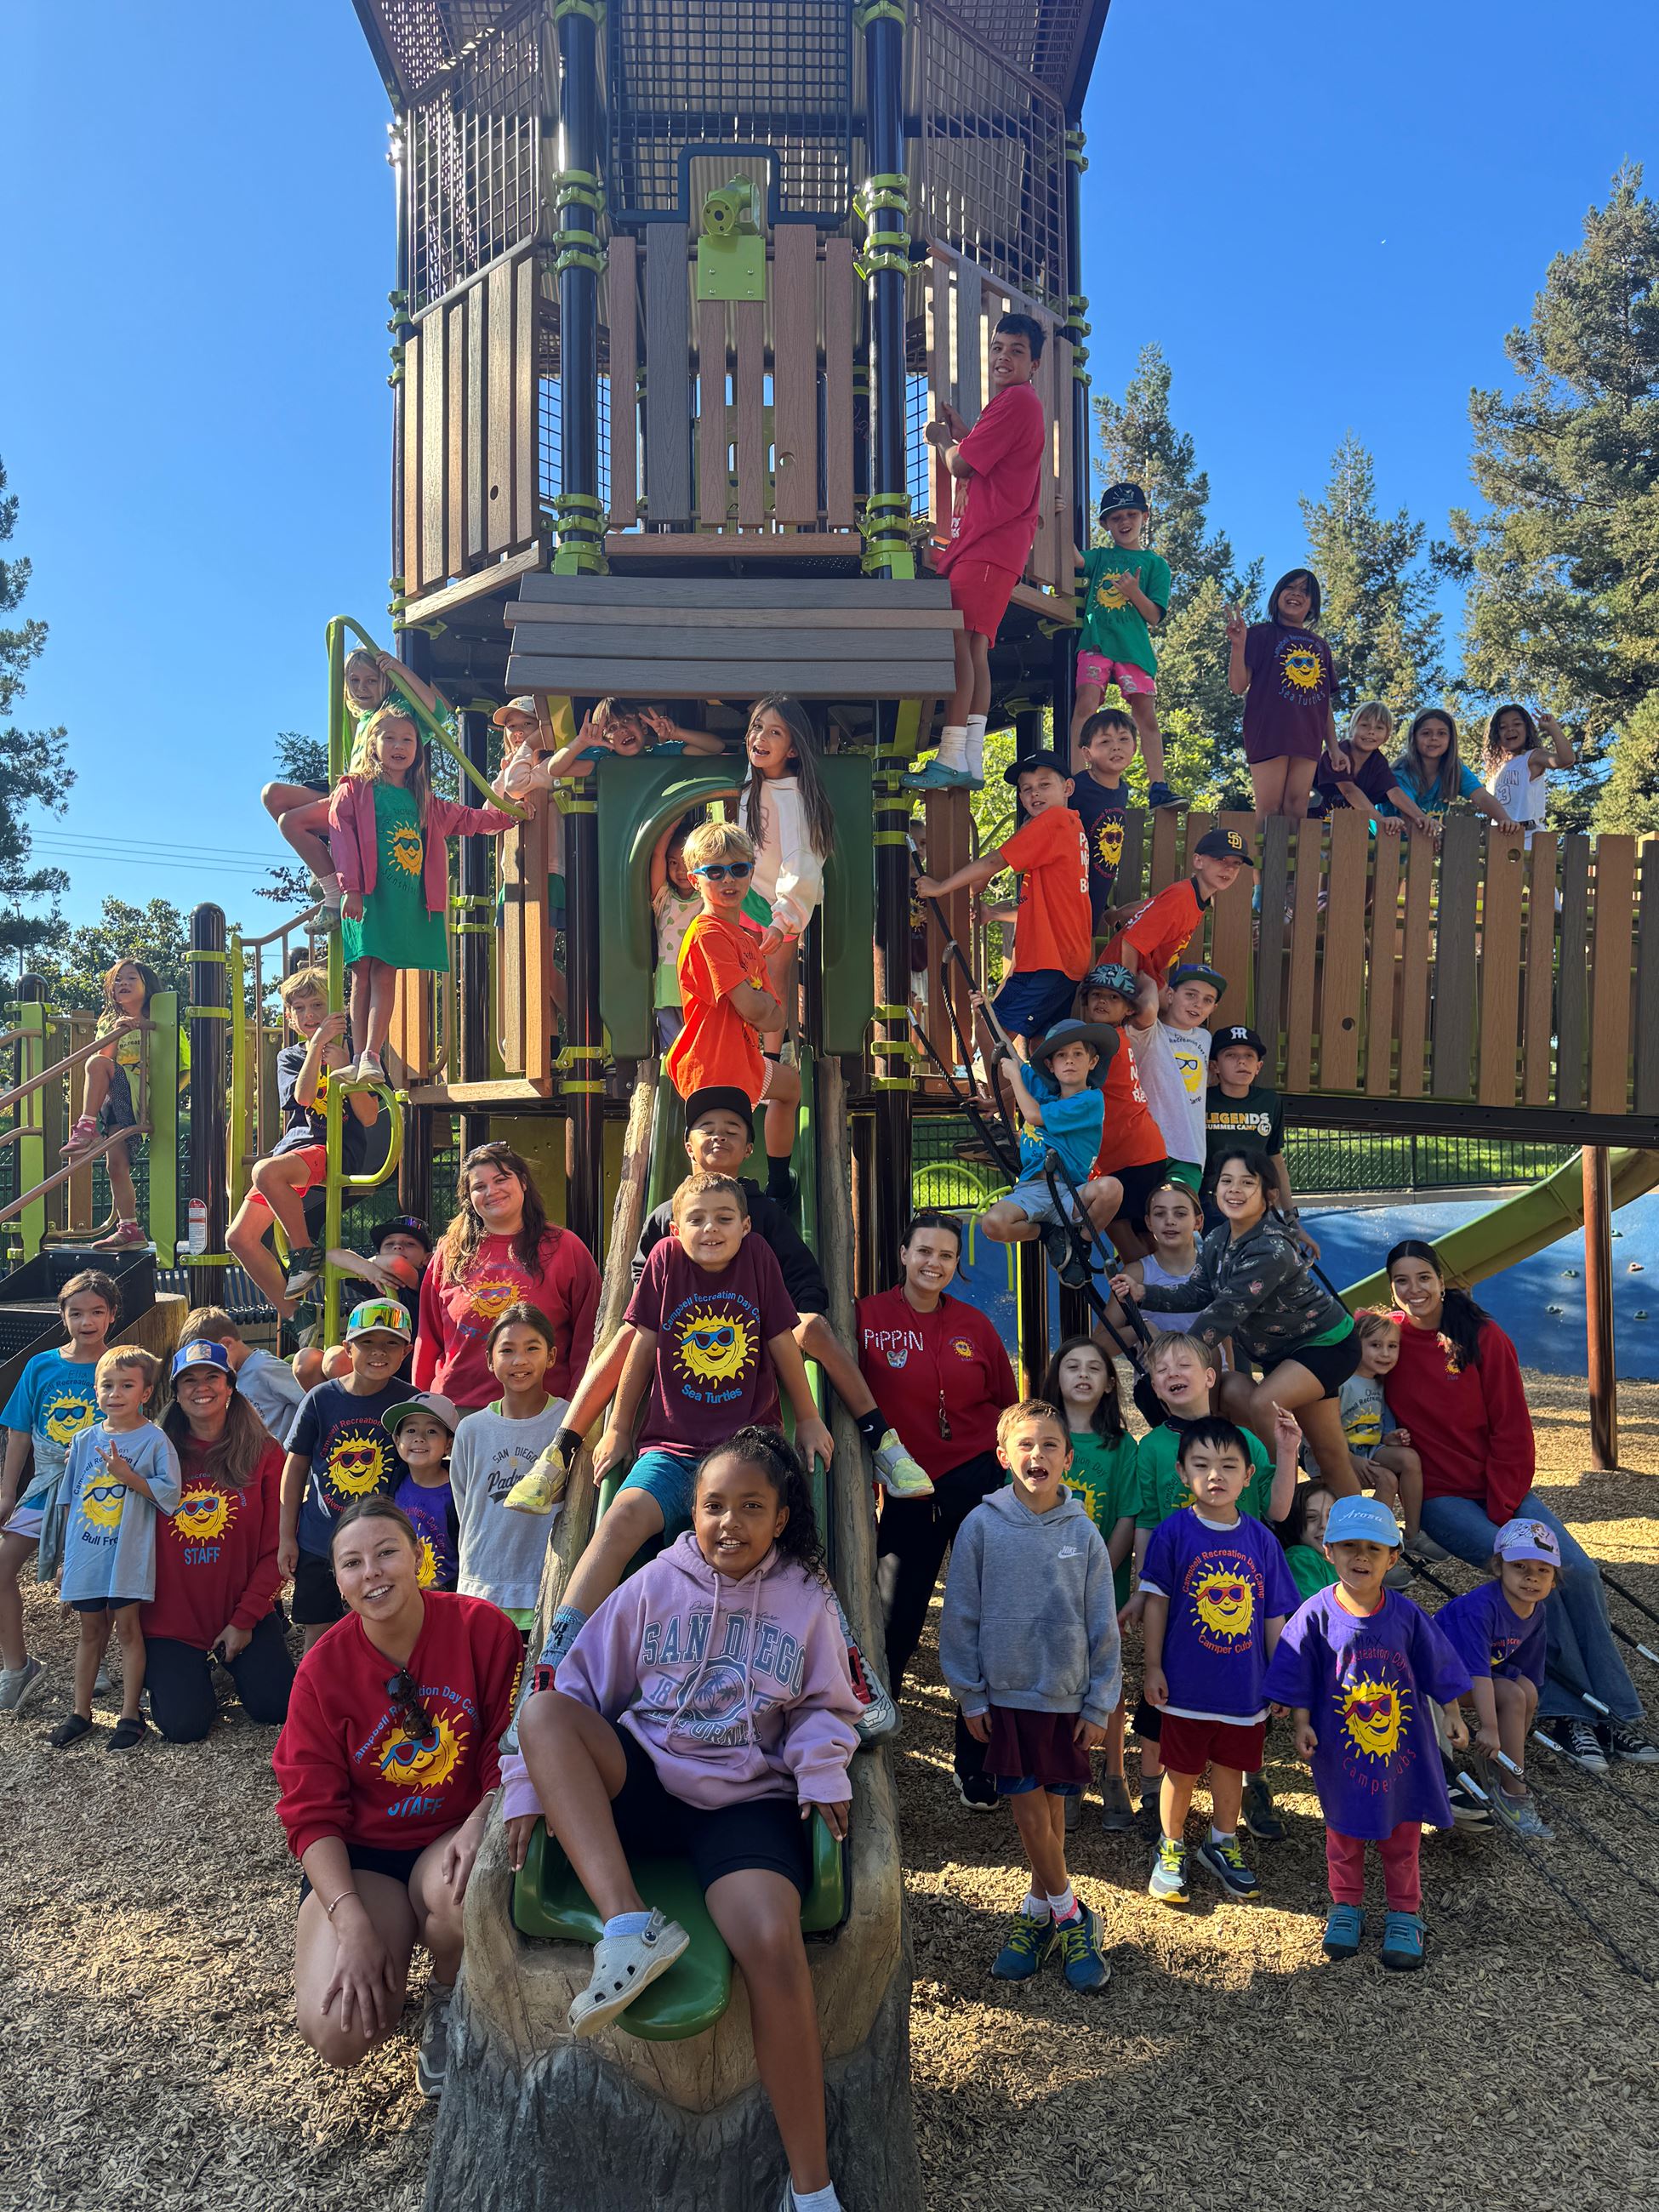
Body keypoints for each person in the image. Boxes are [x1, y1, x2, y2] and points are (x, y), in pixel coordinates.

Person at [504, 1429, 860, 2209]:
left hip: (745, 1801)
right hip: (647, 1780)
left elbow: (829, 1706)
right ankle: (630, 1925)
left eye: (751, 1507)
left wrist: (823, 1764)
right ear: (689, 1513)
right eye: (712, 1507)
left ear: (782, 1514)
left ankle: (813, 2190)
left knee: (771, 1940)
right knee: (543, 1716)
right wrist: (527, 1787)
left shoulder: (807, 1598)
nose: (729, 1524)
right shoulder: (655, 1584)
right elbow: (576, 1688)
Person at [518, 1089, 931, 1518]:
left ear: (749, 1148)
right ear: (687, 1145)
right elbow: (644, 1289)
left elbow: (803, 1278)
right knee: (627, 1337)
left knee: (812, 1327)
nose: (719, 1137)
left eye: (732, 1130)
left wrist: (801, 1314)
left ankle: (883, 1441)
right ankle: (561, 1450)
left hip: (759, 1321)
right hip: (684, 1327)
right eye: (707, 1129)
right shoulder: (665, 1216)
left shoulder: (763, 1213)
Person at [535, 1174, 832, 1678]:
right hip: (672, 1448)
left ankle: (838, 1653)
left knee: (788, 1543)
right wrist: (620, 1428)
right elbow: (641, 1347)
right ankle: (555, 1658)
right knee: (619, 1522)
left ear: (746, 1226)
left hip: (745, 1450)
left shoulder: (758, 1257)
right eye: (696, 1219)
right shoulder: (664, 1261)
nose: (710, 1229)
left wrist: (807, 1417)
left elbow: (783, 1342)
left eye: (723, 1219)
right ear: (675, 1227)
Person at [274, 1497, 522, 2095]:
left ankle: (446, 1990)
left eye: (386, 1553)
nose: (373, 1573)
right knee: (339, 2033)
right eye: (353, 1563)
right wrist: (352, 1923)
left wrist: (482, 1814)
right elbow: (309, 1812)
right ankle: (386, 1939)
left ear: (418, 1557)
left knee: (462, 1890)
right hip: (367, 1861)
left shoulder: (481, 1628)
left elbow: (507, 1743)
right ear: (338, 1582)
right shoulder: (322, 1669)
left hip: (450, 1837)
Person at [1384, 1239, 1656, 1770]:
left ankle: (1618, 1715)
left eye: (1423, 1278)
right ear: (1390, 1288)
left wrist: (1504, 1505)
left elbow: (1513, 1430)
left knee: (1575, 1570)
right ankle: (1571, 1714)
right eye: (1402, 1281)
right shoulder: (1385, 1341)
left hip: (1500, 1490)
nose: (1414, 1290)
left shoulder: (1482, 1337)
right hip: (1441, 1498)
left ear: (1442, 1280)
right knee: (1528, 1575)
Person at [939, 1400, 1119, 1990]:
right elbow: (960, 1615)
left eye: (1049, 1446)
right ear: (1002, 1456)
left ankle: (1037, 1913)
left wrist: (1098, 1702)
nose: (1036, 1455)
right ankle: (1073, 1917)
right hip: (1005, 1697)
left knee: (1053, 1811)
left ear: (1068, 1459)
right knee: (1027, 1810)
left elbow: (1103, 1626)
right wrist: (969, 1694)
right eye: (1025, 1445)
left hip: (1065, 1699)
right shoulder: (980, 1526)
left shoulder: (1085, 1534)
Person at [1263, 1494, 1471, 1971]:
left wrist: (1454, 1714)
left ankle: (1404, 1912)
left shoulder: (1406, 1616)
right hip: (1343, 1752)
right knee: (1343, 1831)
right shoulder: (1313, 1615)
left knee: (1403, 1836)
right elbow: (1297, 1673)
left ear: (1393, 1557)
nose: (1361, 1557)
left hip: (1402, 1752)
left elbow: (1439, 1667)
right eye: (1349, 1546)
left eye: (1374, 1549)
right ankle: (1346, 1906)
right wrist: (1300, 1722)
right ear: (1328, 1551)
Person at [858, 1211, 1018, 1809]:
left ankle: (974, 1762)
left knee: (980, 1621)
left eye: (946, 1256)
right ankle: (873, 1754)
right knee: (895, 1622)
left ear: (956, 1265)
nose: (934, 1264)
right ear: (903, 1253)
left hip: (976, 1480)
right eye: (924, 1251)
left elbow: (1007, 1407)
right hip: (908, 1487)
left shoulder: (974, 1325)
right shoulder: (867, 1318)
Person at [1114, 1146, 1361, 1496]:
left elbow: (1225, 1311)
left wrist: (1175, 1358)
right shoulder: (1217, 1239)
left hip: (1325, 1344)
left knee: (1264, 1404)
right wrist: (1145, 1293)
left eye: (1247, 1182)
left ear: (1269, 1195)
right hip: (1287, 1354)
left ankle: (1275, 1501)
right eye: (1227, 1180)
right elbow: (1198, 1292)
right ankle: (1353, 1531)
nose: (1234, 1189)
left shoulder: (1271, 1249)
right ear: (1215, 1191)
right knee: (1330, 1452)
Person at [1125, 1342, 1297, 1841]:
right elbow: (1149, 1520)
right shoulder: (1152, 1447)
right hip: (1177, 1598)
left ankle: (1251, 1785)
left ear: (1209, 1376)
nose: (1173, 1374)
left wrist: (1287, 1452)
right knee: (1171, 1705)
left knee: (1240, 1703)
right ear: (1153, 1387)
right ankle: (1159, 1800)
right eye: (1162, 1369)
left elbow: (1278, 1511)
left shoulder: (1246, 1440)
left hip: (1241, 1583)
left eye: (1184, 1365)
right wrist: (1141, 1586)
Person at [1138, 1416, 1300, 1905]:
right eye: (1202, 1465)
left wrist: (1279, 1678)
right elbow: (1157, 1603)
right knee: (1181, 1772)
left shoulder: (1262, 1541)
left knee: (1232, 1769)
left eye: (1229, 1465)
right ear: (1184, 1473)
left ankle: (1222, 1842)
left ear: (1249, 1475)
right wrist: (1152, 1666)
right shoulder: (1173, 1533)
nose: (1216, 1475)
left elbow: (1274, 1614)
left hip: (1244, 1689)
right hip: (1186, 1686)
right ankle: (1171, 1847)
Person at [330, 706, 517, 1083]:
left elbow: (467, 819)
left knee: (385, 973)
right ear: (372, 744)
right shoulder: (356, 789)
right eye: (390, 738)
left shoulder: (423, 800)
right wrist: (349, 889)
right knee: (361, 974)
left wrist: (509, 814)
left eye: (408, 740)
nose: (399, 746)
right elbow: (341, 835)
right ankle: (358, 1055)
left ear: (418, 749)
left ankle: (370, 1055)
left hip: (403, 904)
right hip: (366, 896)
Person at [907, 313, 1047, 792]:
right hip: (1000, 547)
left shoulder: (1015, 402)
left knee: (959, 644)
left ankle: (950, 756)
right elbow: (984, 460)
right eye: (998, 347)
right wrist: (966, 433)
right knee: (975, 648)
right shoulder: (1017, 406)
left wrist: (944, 440)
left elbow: (961, 464)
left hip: (988, 544)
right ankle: (970, 760)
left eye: (1017, 351)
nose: (1004, 357)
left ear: (1034, 363)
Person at [144, 1338, 294, 1742]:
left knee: (274, 1708)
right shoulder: (155, 1452)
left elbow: (275, 1548)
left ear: (230, 1385)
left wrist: (245, 1621)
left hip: (240, 1609)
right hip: (172, 1619)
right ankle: (185, 1670)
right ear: (175, 1393)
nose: (201, 1387)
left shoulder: (264, 1451)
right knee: (184, 1727)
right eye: (188, 1380)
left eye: (212, 1376)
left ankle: (233, 1659)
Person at [0, 1268, 119, 1713]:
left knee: (95, 1578)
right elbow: (19, 1431)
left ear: (111, 1316)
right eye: (76, 1313)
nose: (86, 1322)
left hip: (97, 1489)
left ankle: (97, 1662)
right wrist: (7, 1491)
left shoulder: (120, 1364)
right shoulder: (41, 1365)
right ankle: (17, 1666)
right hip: (46, 1482)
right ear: (62, 1315)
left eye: (96, 1312)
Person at [227, 966, 382, 1312]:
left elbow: (369, 1116)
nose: (309, 1014)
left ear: (336, 1010)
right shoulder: (290, 1056)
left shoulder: (358, 1051)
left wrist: (346, 1071)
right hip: (296, 1151)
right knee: (239, 1238)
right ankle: (298, 1317)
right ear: (289, 1016)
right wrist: (315, 1048)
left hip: (333, 1148)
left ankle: (303, 1252)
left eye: (316, 1005)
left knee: (266, 1172)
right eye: (299, 1008)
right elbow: (304, 1097)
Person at [915, 750, 1092, 1049]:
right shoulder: (1071, 827)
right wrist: (992, 909)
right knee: (1038, 1046)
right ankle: (1011, 1097)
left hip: (1049, 963)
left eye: (1044, 784)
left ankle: (996, 1098)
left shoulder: (1055, 821)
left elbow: (996, 860)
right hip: (1058, 960)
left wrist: (941, 886)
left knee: (990, 1036)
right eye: (1027, 788)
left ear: (1068, 788)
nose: (1035, 793)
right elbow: (1042, 905)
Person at [50, 1347, 180, 1751]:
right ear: (95, 1390)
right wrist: (65, 1559)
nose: (116, 1393)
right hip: (88, 1554)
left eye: (127, 1385)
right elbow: (71, 1499)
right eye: (107, 1385)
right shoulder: (85, 1439)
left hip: (129, 1555)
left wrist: (128, 1476)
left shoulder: (156, 1441)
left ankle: (130, 1714)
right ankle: (80, 1712)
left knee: (127, 1629)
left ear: (146, 1392)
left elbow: (170, 1497)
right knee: (90, 1631)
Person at [663, 819, 801, 1198]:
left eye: (739, 869)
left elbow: (773, 1012)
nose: (729, 879)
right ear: (695, 880)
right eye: (715, 871)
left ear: (751, 873)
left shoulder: (744, 938)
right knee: (717, 1150)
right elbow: (757, 1010)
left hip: (743, 1058)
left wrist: (761, 1008)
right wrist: (760, 1008)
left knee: (790, 1087)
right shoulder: (708, 933)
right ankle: (697, 1209)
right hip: (711, 1062)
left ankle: (778, 1184)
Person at [265, 646, 449, 927]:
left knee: (291, 822)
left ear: (385, 682)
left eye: (371, 680)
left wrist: (400, 670)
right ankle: (330, 866)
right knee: (274, 796)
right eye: (354, 681)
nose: (362, 688)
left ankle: (332, 892)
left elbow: (439, 715)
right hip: (349, 796)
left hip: (371, 801)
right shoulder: (361, 717)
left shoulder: (395, 711)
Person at [412, 1141, 599, 1412]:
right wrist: (421, 1408)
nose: (492, 1191)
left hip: (542, 1412)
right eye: (479, 1186)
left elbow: (589, 1340)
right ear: (468, 1198)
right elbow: (427, 1339)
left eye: (501, 1179)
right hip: (455, 1411)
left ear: (523, 1182)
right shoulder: (449, 1251)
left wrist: (576, 1412)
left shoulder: (566, 1247)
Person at [1040, 1337, 1138, 1831]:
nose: (1082, 1374)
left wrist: (1099, 1572)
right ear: (1056, 1377)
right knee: (1062, 1677)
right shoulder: (1041, 1441)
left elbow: (1125, 1516)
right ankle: (1072, 1773)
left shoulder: (1122, 1447)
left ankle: (1116, 1772)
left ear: (1107, 1384)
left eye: (1094, 1368)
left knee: (1107, 1677)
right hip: (1050, 1585)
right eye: (1071, 1365)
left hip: (1103, 1584)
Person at [279, 1298, 414, 1648]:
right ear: (347, 1347)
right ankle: (314, 1700)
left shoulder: (412, 1403)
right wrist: (286, 1536)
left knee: (382, 1628)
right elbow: (295, 1468)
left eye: (391, 1343)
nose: (378, 1352)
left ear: (406, 1351)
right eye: (367, 1342)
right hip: (318, 1539)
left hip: (382, 1545)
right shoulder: (320, 1399)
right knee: (319, 1635)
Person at [1434, 1516, 1559, 1839]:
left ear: (1553, 1581)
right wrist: (1489, 1728)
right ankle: (1512, 1793)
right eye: (1520, 1567)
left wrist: (1505, 1737)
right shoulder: (1481, 1608)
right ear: (1499, 1568)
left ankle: (1497, 1767)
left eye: (1543, 1571)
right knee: (1512, 1696)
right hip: (1433, 1680)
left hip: (1469, 1675)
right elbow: (1477, 1674)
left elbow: (1528, 1670)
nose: (1532, 1578)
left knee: (1527, 1691)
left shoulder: (1535, 1611)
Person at [448, 1305, 567, 1630]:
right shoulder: (471, 1429)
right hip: (482, 1583)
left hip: (544, 1584)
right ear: (490, 1360)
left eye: (532, 1348)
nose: (520, 1361)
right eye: (507, 1350)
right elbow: (465, 1503)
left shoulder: (569, 1422)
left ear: (551, 1356)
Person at [59, 959, 191, 1252]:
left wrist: (163, 1100)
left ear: (147, 985)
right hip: (115, 1098)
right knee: (115, 1165)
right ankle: (129, 1228)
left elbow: (185, 1068)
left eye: (131, 978)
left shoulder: (164, 1021)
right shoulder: (109, 1022)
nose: (123, 984)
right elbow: (104, 1059)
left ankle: (86, 1128)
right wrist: (116, 1032)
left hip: (140, 1098)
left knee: (97, 1063)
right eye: (117, 980)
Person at [738, 694, 836, 1085]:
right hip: (749, 896)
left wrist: (784, 918)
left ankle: (773, 1057)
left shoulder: (793, 798)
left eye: (774, 732)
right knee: (745, 978)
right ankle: (749, 1050)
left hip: (778, 906)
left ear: (793, 749)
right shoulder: (753, 780)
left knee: (774, 983)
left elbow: (801, 860)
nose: (759, 737)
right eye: (757, 727)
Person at [982, 1018, 1119, 1287]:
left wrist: (1013, 1077)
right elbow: (1009, 1050)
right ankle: (1050, 1234)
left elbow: (1032, 1114)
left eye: (1078, 1054)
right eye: (1062, 1056)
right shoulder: (1045, 1094)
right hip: (1033, 1189)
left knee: (1111, 1188)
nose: (1069, 1061)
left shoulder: (1090, 1100)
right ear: (1051, 1065)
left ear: (1092, 1062)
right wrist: (985, 1008)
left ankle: (1081, 1243)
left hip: (1070, 1192)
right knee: (993, 1224)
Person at [1070, 483, 1181, 807]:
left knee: (1145, 712)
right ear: (1105, 524)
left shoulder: (1155, 565)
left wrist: (1134, 592)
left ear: (1145, 516)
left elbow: (1154, 615)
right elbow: (1076, 559)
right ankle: (1077, 779)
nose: (1124, 522)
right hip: (1097, 642)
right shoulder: (1102, 556)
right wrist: (1059, 518)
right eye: (1115, 517)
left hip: (1133, 648)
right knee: (1085, 703)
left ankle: (1158, 785)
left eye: (1132, 514)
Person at [1224, 568, 1341, 819]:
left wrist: (1333, 747)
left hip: (1308, 735)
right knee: (1269, 808)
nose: (1296, 594)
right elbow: (1237, 686)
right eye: (1291, 587)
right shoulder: (1260, 634)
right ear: (1277, 594)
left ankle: (1292, 860)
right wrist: (1238, 645)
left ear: (1312, 605)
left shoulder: (1321, 646)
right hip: (1269, 731)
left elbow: (1325, 702)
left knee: (1297, 807)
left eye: (1305, 591)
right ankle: (1265, 860)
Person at [1071, 966, 1169, 1258]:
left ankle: (1144, 1297)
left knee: (1122, 1234)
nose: (1103, 1001)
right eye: (1097, 995)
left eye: (1113, 998)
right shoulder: (1118, 1035)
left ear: (1128, 1008)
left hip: (1128, 1155)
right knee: (1145, 1237)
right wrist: (1148, 975)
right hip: (1144, 1151)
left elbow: (1052, 1083)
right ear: (1085, 1001)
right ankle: (1166, 1292)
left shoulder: (1098, 1043)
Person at [1200, 1024, 1315, 1251]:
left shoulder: (1270, 1101)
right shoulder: (1201, 1100)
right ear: (1215, 1066)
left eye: (1249, 1056)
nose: (1241, 1062)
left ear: (1259, 1066)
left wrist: (1291, 1218)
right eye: (1231, 1055)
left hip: (1255, 1200)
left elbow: (1275, 1159)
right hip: (1210, 1201)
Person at [1101, 828, 1254, 988]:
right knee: (1166, 1006)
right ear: (1198, 861)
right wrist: (1129, 990)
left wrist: (1115, 915)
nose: (1229, 868)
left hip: (1144, 973)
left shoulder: (1192, 894)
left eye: (1236, 863)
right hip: (1116, 977)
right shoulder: (1181, 898)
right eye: (1221, 859)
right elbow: (1130, 943)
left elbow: (1149, 905)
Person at [1323, 1308, 1422, 1531]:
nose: (1385, 1354)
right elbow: (1322, 1430)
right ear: (1357, 1345)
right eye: (1375, 1345)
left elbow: (1370, 1428)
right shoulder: (1342, 1382)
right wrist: (1348, 1458)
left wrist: (1389, 1438)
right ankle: (1370, 1539)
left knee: (1410, 1458)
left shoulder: (1379, 1383)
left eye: (1392, 1346)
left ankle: (1414, 1533)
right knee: (1387, 1480)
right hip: (1337, 1456)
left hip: (1368, 1450)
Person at [175, 1308, 305, 1448]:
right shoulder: (230, 1378)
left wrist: (292, 1446)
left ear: (227, 1344)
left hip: (279, 1458)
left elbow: (307, 1400)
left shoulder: (262, 1366)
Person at [1312, 703, 1433, 835]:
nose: (1371, 731)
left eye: (1379, 728)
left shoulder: (1378, 762)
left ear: (1386, 736)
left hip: (1349, 829)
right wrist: (1380, 819)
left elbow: (1395, 792)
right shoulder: (1338, 753)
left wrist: (1421, 817)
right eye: (1364, 725)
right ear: (1352, 728)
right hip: (1316, 823)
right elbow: (1349, 790)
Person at [1156, 964, 1225, 1191]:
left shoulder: (1205, 1038)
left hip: (1190, 1149)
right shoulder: (1149, 1030)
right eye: (1190, 995)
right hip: (1150, 1144)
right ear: (1169, 995)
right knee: (1145, 1219)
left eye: (1207, 1000)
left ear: (1214, 1008)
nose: (1198, 1003)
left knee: (1178, 1210)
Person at [1067, 709, 1136, 936]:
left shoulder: (1122, 790)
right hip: (1068, 893)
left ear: (1135, 747)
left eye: (1124, 739)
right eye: (1105, 741)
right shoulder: (1076, 788)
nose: (1116, 747)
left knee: (1082, 958)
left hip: (1095, 896)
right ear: (1087, 754)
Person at [1383, 710, 1514, 829]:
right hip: (1382, 841)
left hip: (1419, 844)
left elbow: (1482, 797)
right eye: (1426, 733)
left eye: (1441, 733)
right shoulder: (1402, 771)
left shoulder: (1455, 769)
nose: (1434, 738)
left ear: (1451, 739)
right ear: (1414, 738)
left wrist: (1505, 820)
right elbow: (1407, 811)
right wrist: (1427, 827)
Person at [385, 1391, 462, 1593]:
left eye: (431, 1432)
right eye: (411, 1431)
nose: (419, 1438)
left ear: (449, 1444)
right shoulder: (392, 1483)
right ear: (396, 1439)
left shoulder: (458, 1492)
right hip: (400, 1589)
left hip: (445, 1593)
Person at [1481, 704, 1574, 848]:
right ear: (1496, 734)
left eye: (1517, 724)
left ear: (1527, 729)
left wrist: (1553, 729)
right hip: (1499, 836)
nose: (1510, 729)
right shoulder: (1495, 769)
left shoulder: (1531, 758)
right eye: (1503, 727)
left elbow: (1566, 759)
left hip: (1529, 836)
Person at [650, 814, 702, 1055]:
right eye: (674, 864)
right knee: (673, 1050)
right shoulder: (664, 898)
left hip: (695, 985)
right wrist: (672, 820)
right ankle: (675, 1089)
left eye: (687, 864)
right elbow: (658, 854)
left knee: (697, 1045)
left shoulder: (705, 900)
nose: (681, 872)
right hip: (667, 987)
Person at [1278, 1479, 1339, 1599]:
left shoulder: (1336, 1558)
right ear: (1293, 1522)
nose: (1324, 1524)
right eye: (1311, 1517)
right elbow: (1318, 1613)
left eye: (1331, 1516)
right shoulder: (1301, 1557)